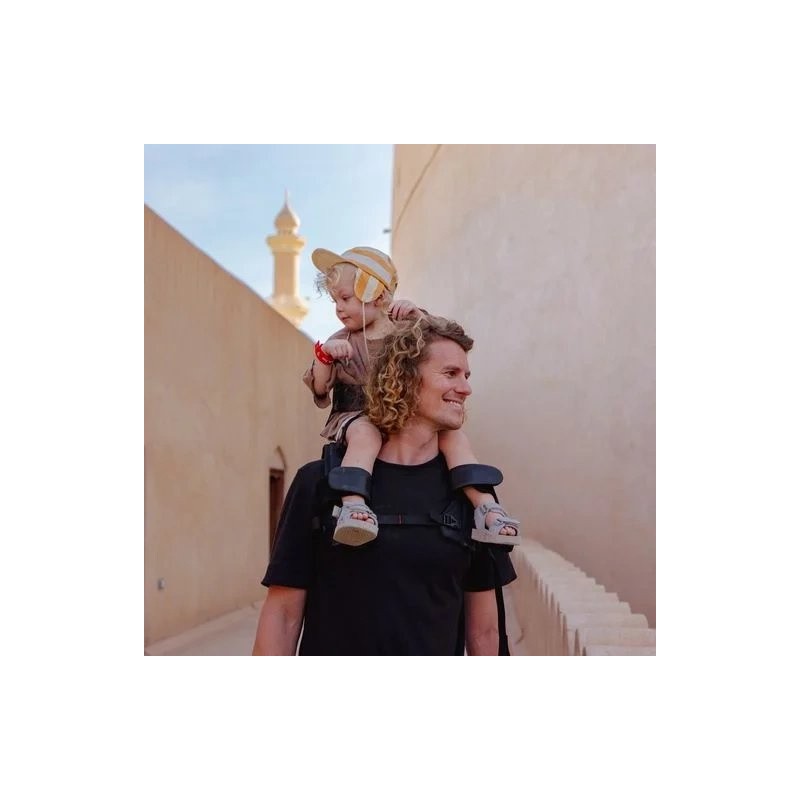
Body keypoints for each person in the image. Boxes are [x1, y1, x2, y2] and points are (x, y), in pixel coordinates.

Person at [253, 315, 517, 655]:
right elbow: (283, 616)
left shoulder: (472, 493)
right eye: (451, 374)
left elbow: (485, 633)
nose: (466, 388)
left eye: (466, 376)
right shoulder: (320, 482)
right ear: (404, 377)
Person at [304, 245, 520, 547]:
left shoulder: (406, 330)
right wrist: (325, 357)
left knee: (453, 437)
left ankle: (486, 507)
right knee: (366, 435)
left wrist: (416, 314)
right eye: (335, 301)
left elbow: (440, 340)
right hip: (359, 413)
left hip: (400, 412)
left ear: (377, 295)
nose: (339, 308)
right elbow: (319, 388)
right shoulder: (342, 340)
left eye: (346, 298)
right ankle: (353, 503)